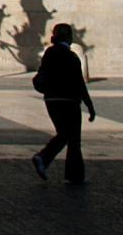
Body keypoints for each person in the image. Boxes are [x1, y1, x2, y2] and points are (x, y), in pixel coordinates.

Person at [31, 22, 95, 185]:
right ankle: (71, 174)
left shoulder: (49, 53)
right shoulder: (71, 56)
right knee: (73, 139)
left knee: (65, 134)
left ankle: (45, 160)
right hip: (69, 101)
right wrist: (89, 104)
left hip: (51, 100)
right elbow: (79, 83)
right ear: (68, 37)